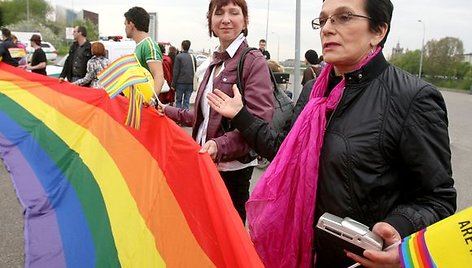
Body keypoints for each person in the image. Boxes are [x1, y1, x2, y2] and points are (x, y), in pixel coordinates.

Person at [212, 0, 457, 267]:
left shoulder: (412, 98)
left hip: (358, 259)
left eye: (343, 17)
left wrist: (398, 227)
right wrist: (241, 116)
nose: (327, 28)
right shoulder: (315, 92)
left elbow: (437, 199)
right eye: (324, 20)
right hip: (305, 252)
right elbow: (284, 152)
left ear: (378, 31)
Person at [158, 0, 274, 223]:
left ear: (245, 20)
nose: (226, 19)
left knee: (229, 235)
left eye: (234, 12)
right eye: (219, 13)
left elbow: (259, 122)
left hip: (231, 170)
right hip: (208, 165)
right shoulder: (214, 62)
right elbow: (206, 117)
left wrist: (218, 145)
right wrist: (167, 111)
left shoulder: (252, 61)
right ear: (210, 21)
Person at [124, 6, 165, 97]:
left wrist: (151, 100)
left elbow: (159, 76)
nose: (125, 28)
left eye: (125, 24)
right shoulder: (140, 46)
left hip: (145, 106)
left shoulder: (148, 45)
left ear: (131, 24)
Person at [172, 40, 196, 109]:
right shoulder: (192, 57)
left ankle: (178, 117)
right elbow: (194, 69)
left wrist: (173, 84)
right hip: (190, 83)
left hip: (180, 83)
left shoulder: (179, 57)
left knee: (178, 101)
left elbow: (176, 71)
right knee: (186, 101)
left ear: (182, 46)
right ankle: (186, 117)